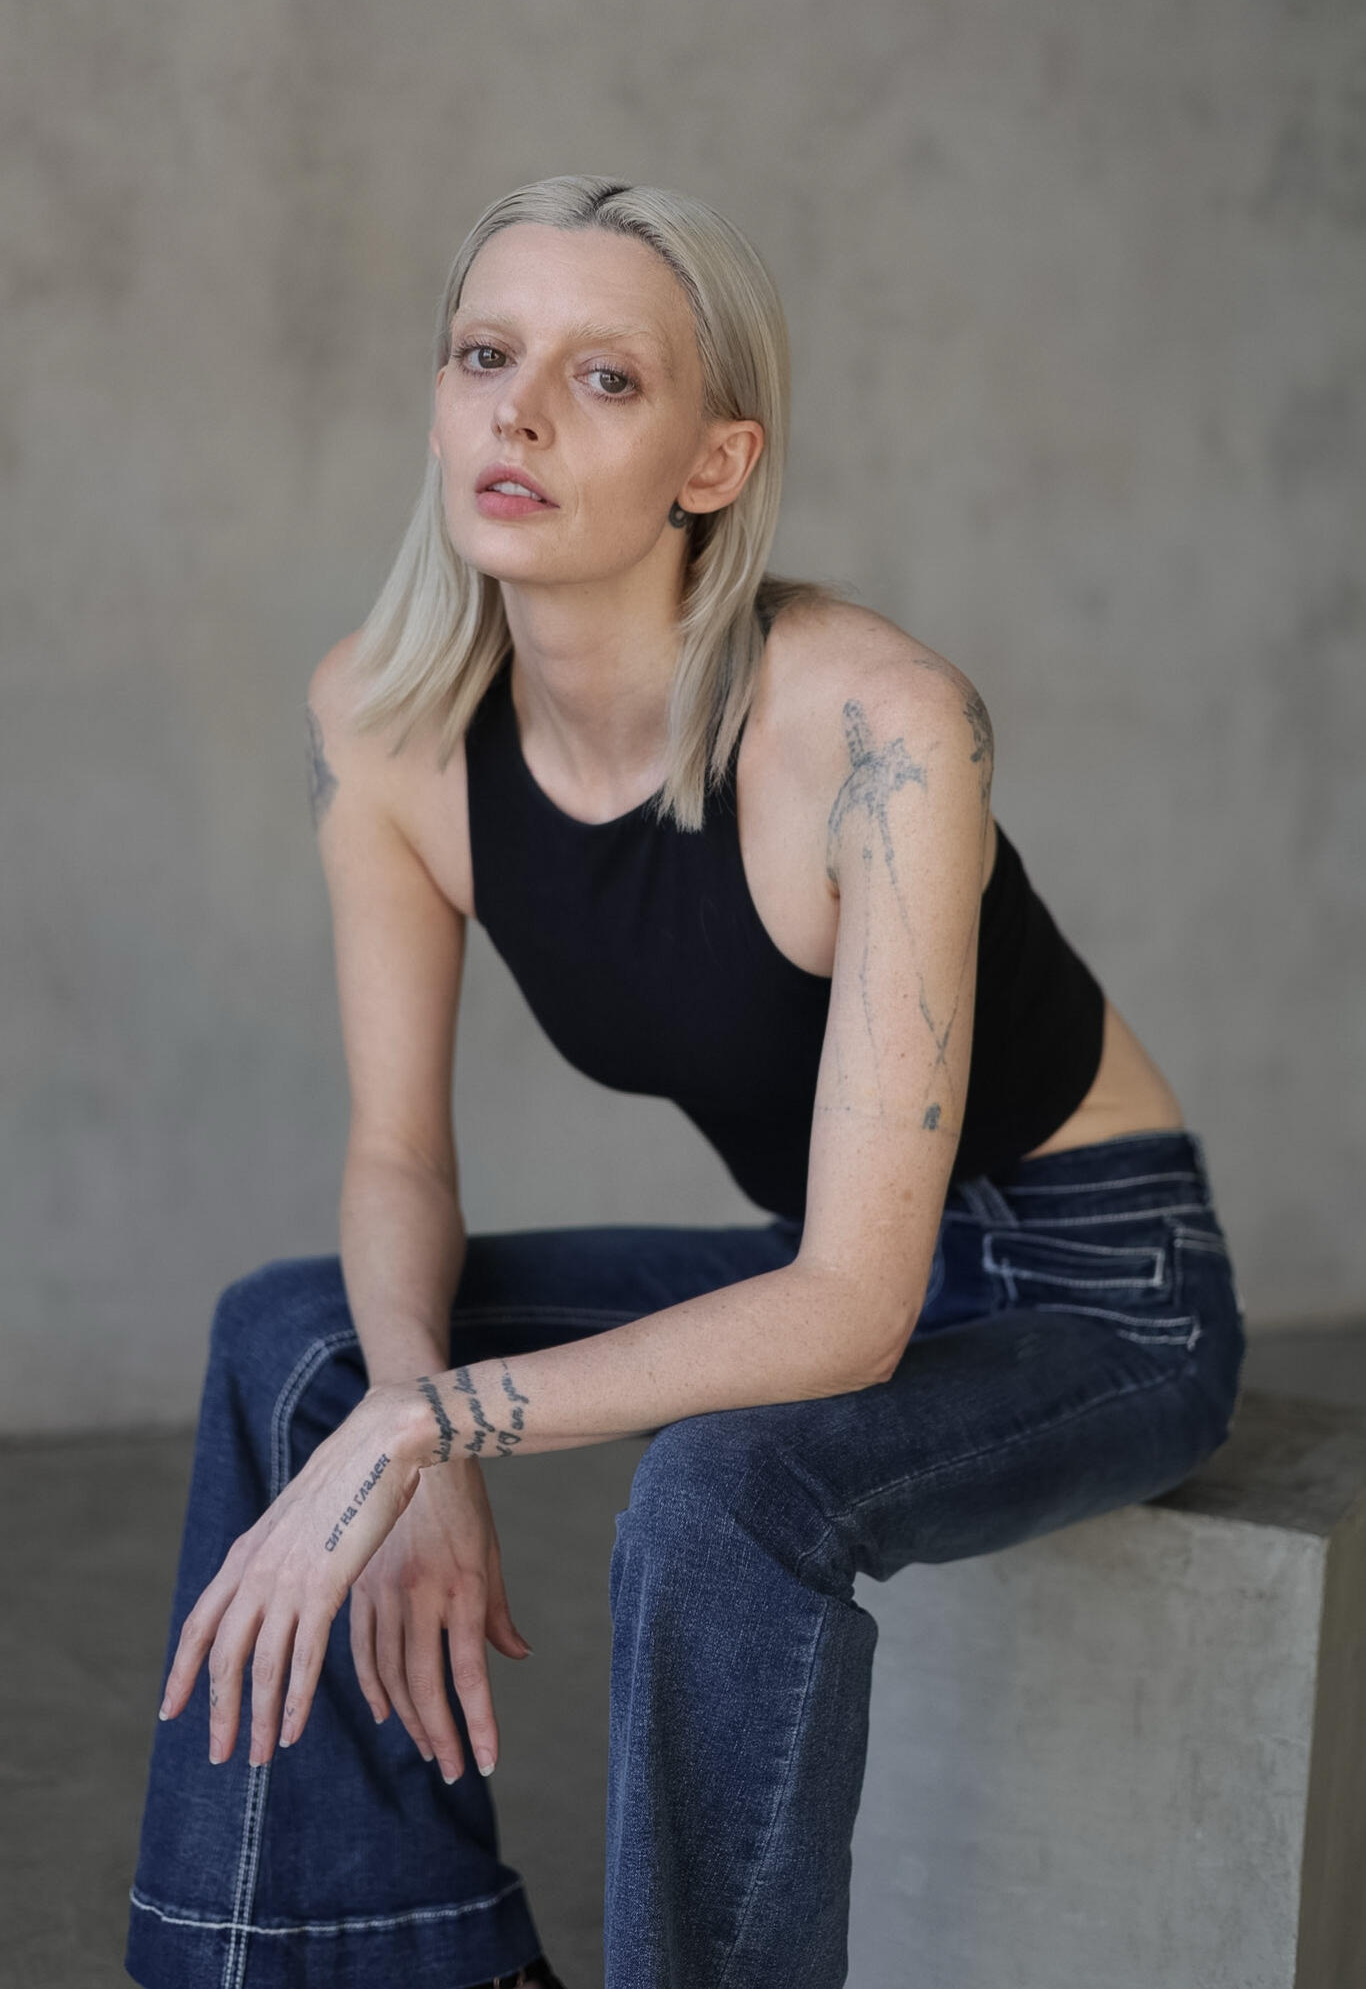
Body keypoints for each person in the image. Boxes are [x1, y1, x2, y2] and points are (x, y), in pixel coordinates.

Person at [125, 174, 1247, 1989]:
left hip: (1093, 1290)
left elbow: (855, 1310)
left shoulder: (878, 726)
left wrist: (430, 1426)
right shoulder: (385, 722)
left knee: (722, 1490)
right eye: (485, 355)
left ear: (712, 464)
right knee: (297, 1335)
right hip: (839, 1256)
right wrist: (397, 1402)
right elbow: (399, 1156)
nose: (519, 413)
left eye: (605, 379)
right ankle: (413, 1963)